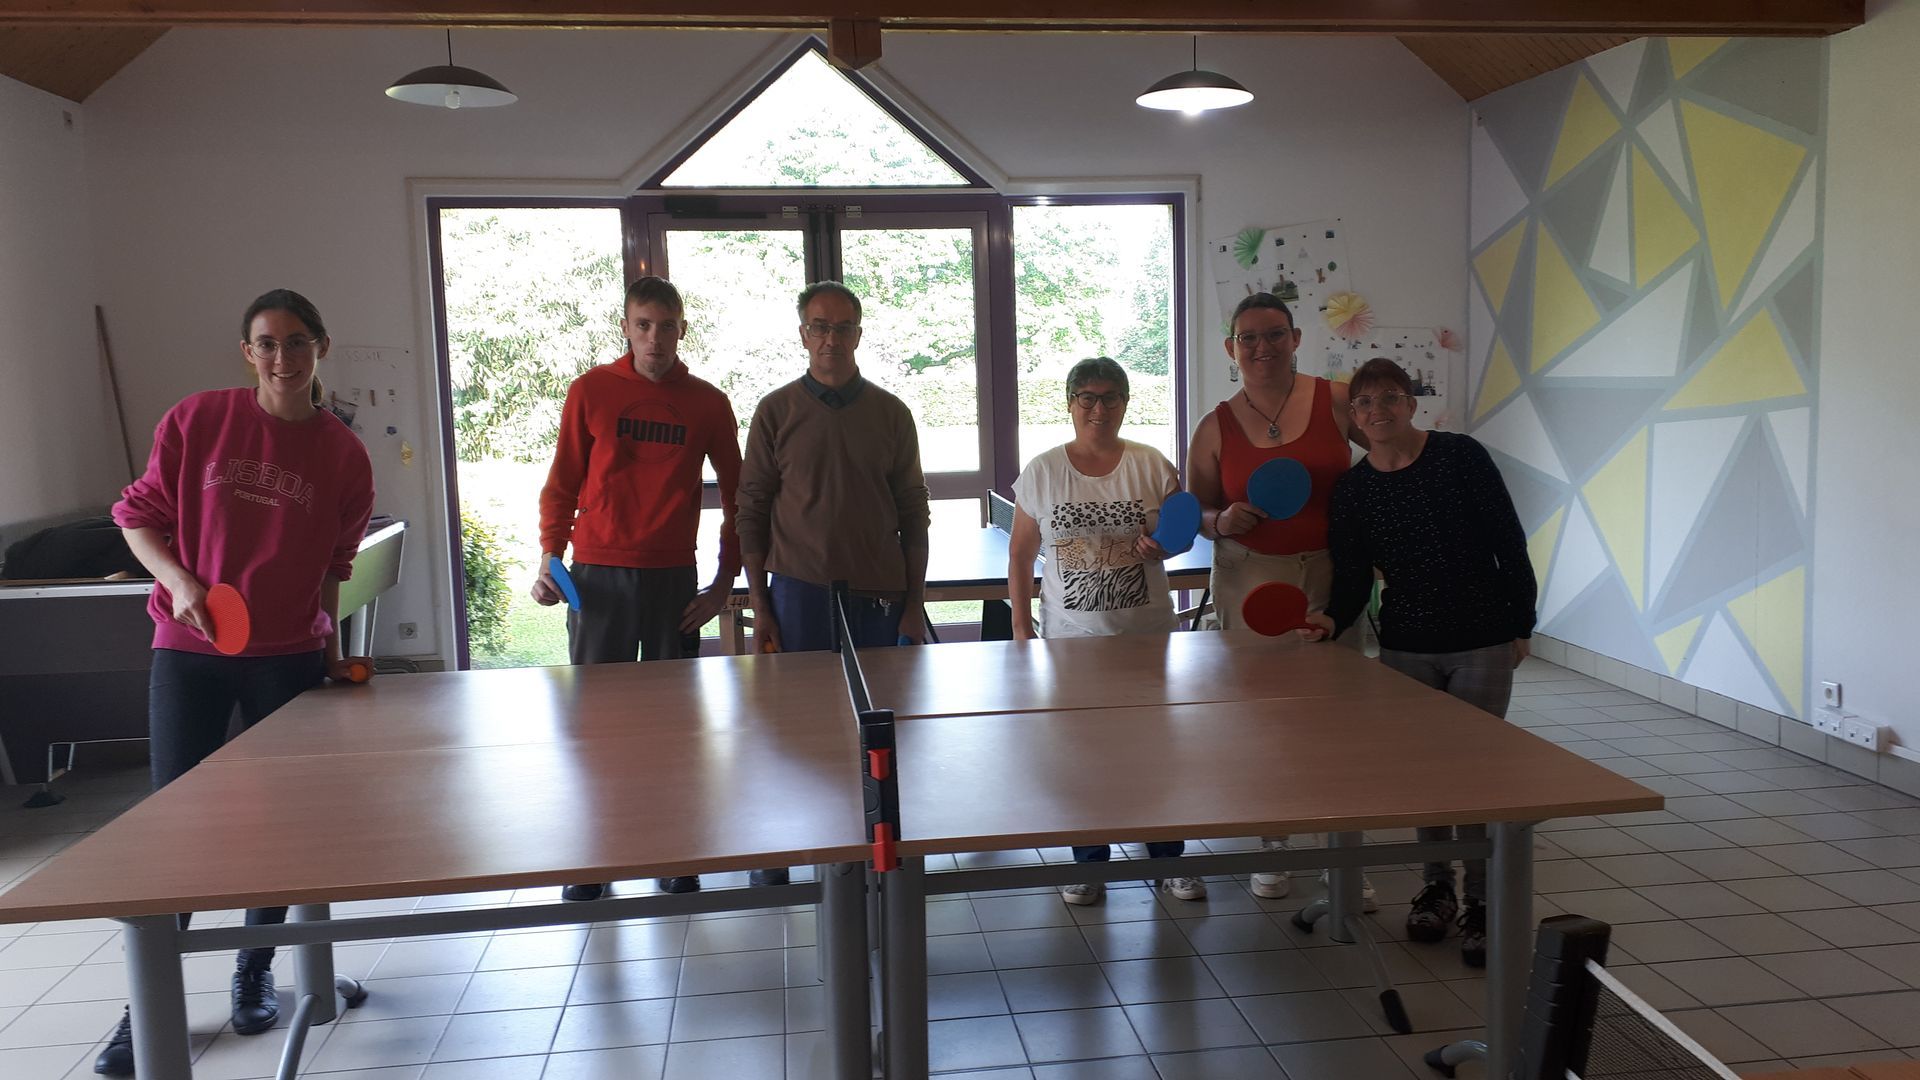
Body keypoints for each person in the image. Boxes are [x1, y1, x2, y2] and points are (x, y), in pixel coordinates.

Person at [95, 289, 375, 1076]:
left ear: (321, 347)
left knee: (280, 829)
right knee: (175, 828)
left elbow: (335, 568)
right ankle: (147, 1006)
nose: (283, 357)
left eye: (297, 341)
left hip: (287, 658)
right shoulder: (196, 421)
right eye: (267, 343)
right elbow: (135, 517)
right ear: (248, 353)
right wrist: (180, 581)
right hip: (189, 650)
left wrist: (329, 650)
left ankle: (255, 970)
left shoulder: (345, 455)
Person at [1306, 356, 1537, 968]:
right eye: (1364, 403)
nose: (1377, 410)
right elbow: (1353, 576)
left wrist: (1522, 623)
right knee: (1428, 778)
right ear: (1354, 419)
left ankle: (1481, 901)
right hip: (1407, 646)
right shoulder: (1354, 489)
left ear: (1411, 404)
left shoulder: (1460, 457)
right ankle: (1437, 889)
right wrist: (1331, 619)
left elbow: (1508, 541)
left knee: (1475, 774)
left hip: (1483, 638)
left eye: (1389, 397)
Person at [534, 275, 741, 900]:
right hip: (598, 577)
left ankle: (674, 851)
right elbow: (562, 483)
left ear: (682, 329)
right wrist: (550, 558)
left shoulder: (708, 403)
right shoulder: (591, 391)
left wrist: (722, 585)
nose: (655, 338)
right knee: (598, 727)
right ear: (626, 328)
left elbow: (741, 500)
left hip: (674, 579)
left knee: (675, 728)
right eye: (643, 325)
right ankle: (595, 857)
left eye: (666, 325)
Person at [734, 280, 930, 888]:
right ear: (803, 335)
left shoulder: (891, 414)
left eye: (843, 327)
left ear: (858, 336)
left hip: (878, 596)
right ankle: (781, 847)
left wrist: (914, 605)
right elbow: (751, 510)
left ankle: (877, 854)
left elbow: (913, 512)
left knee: (878, 733)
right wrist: (761, 604)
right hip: (797, 591)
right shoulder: (776, 411)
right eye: (819, 327)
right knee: (793, 728)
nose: (831, 338)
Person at [1187, 291, 1375, 905]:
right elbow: (1198, 511)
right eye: (1249, 338)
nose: (1261, 347)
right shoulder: (1213, 425)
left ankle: (1343, 853)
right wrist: (1221, 520)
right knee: (1261, 718)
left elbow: (1391, 458)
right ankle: (1274, 840)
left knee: (1337, 717)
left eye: (1274, 334)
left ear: (1295, 339)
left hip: (1331, 575)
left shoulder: (1339, 400)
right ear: (1231, 348)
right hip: (1248, 578)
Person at [1007, 357, 1205, 907]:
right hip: (1071, 643)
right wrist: (1021, 628)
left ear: (1124, 403)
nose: (1098, 408)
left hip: (1147, 638)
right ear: (1070, 404)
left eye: (1110, 397)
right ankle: (1090, 863)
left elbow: (1181, 534)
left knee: (1154, 752)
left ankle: (1168, 861)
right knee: (1080, 757)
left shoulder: (1150, 464)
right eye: (1087, 397)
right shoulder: (1043, 471)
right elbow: (1020, 554)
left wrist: (1162, 547)